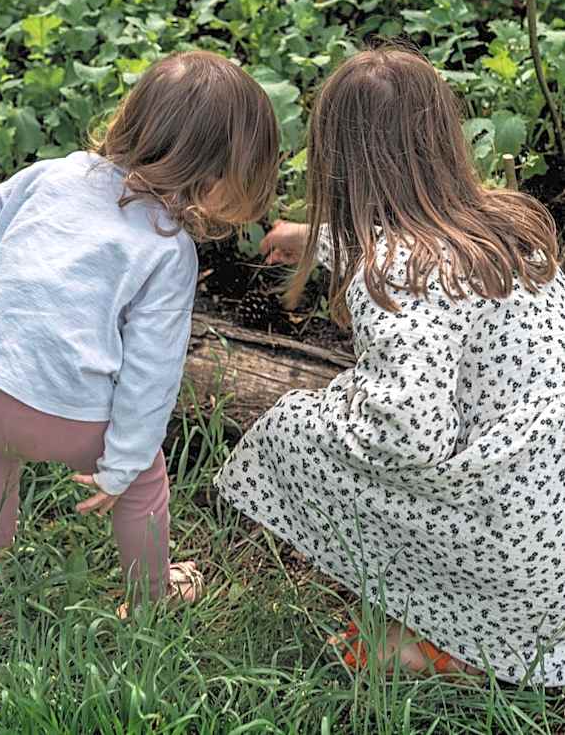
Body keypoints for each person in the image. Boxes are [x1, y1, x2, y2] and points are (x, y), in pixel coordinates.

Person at [215, 46, 565, 684]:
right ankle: (446, 623)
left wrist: (340, 405)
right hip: (550, 542)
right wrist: (317, 239)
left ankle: (442, 634)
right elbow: (431, 266)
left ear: (337, 161)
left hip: (509, 551)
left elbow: (408, 430)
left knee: (292, 431)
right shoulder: (507, 226)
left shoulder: (396, 268)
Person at [0, 50, 278, 609]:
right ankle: (149, 596)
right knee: (143, 481)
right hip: (65, 420)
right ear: (216, 176)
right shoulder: (167, 246)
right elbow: (152, 372)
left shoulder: (53, 172)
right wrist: (122, 462)